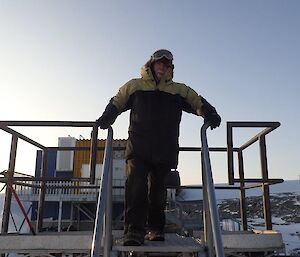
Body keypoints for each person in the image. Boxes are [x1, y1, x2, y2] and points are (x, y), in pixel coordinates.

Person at [96, 49, 221, 246]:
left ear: (170, 68)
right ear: (151, 64)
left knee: (158, 193)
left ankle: (155, 229)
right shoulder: (135, 85)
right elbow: (118, 101)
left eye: (166, 64)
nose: (162, 67)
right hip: (139, 147)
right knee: (135, 188)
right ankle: (133, 232)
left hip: (165, 149)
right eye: (158, 63)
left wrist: (210, 114)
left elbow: (197, 101)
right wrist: (107, 116)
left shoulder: (179, 90)